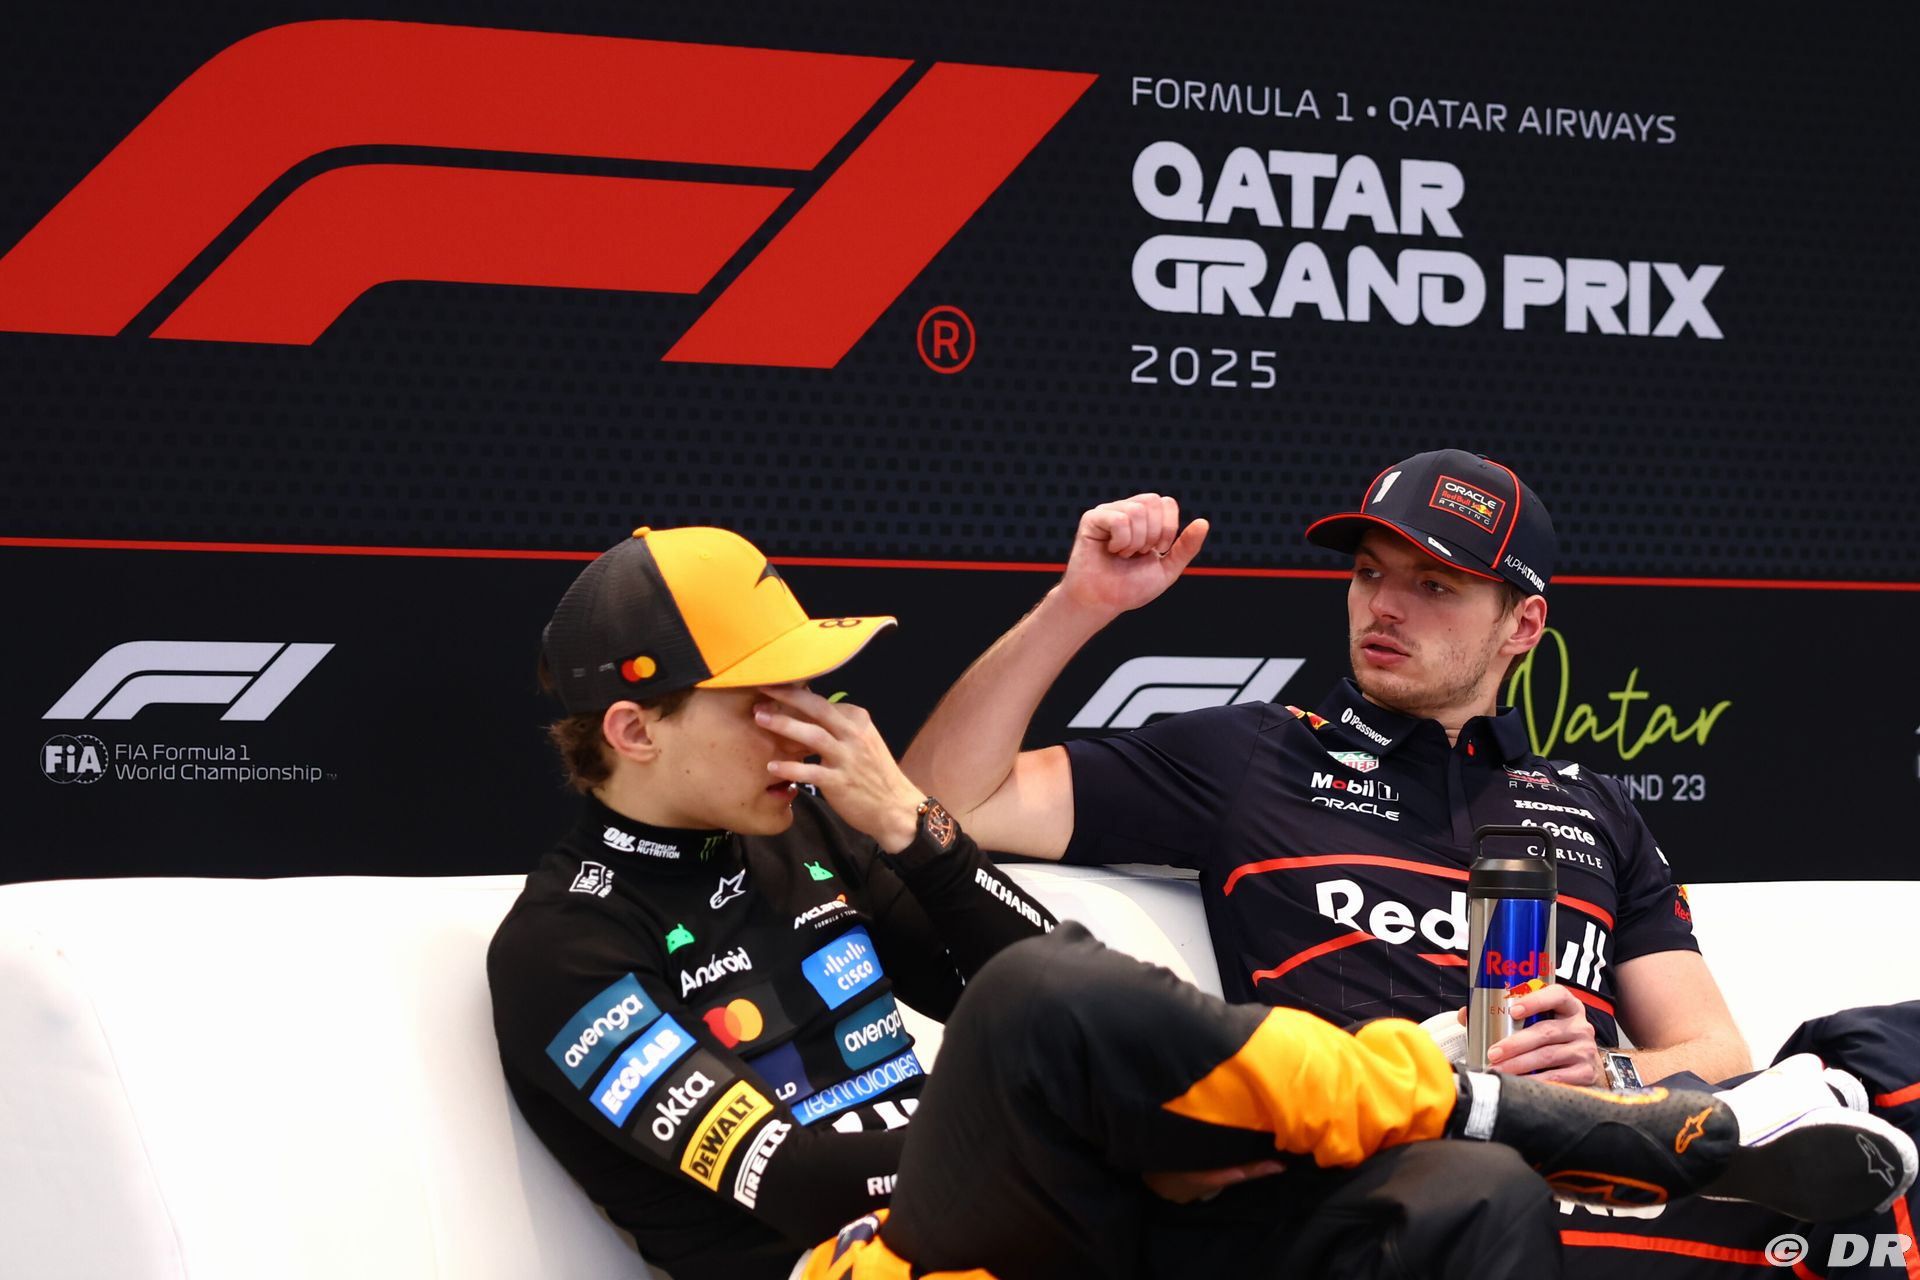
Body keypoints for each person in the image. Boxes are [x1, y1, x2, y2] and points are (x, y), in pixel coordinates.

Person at [488, 522, 1912, 1280]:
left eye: (810, 682)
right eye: (764, 696)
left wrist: (913, 835)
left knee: (1460, 1201)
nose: (810, 717)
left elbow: (1039, 964)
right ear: (634, 729)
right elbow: (797, 1182)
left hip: (1044, 1225)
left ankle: (1501, 1125)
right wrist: (1128, 1138)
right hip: (862, 1255)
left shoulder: (816, 833)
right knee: (1042, 1007)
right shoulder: (561, 949)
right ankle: (1526, 1108)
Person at [899, 449, 1919, 1272]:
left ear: (1523, 624)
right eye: (1369, 573)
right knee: (1489, 1190)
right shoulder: (1254, 756)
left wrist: (1605, 1072)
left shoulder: (1594, 807)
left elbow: (1711, 1046)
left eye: (1433, 584)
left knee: (1883, 1071)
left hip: (1600, 1162)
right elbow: (950, 797)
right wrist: (1080, 604)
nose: (1384, 605)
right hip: (1379, 1175)